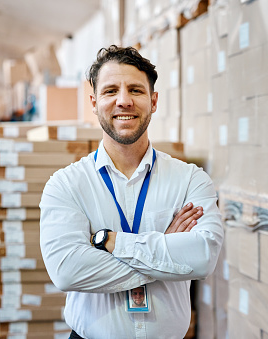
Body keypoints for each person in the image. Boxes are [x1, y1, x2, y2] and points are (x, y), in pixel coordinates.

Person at [39, 45, 223, 339]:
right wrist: (166, 249)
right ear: (94, 102)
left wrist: (113, 243)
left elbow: (202, 257)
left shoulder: (190, 179)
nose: (123, 101)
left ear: (153, 101)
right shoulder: (65, 185)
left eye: (135, 90)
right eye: (111, 91)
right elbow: (67, 271)